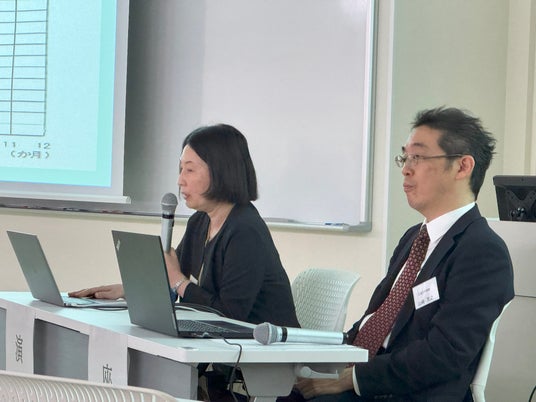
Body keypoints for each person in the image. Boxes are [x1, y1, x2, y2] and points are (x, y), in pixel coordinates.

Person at [284, 107, 514, 401]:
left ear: (462, 167)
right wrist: (320, 358)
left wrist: (351, 379)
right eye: (404, 158)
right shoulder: (414, 238)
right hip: (368, 380)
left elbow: (444, 354)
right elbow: (375, 321)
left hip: (406, 393)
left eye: (418, 157)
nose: (406, 169)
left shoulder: (482, 252)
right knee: (280, 388)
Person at [69, 123, 299, 328]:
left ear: (221, 172)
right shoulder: (199, 221)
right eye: (181, 169)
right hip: (224, 347)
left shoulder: (245, 231)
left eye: (189, 170)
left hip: (268, 352)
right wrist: (127, 290)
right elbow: (173, 277)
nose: (180, 181)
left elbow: (230, 316)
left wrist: (177, 281)